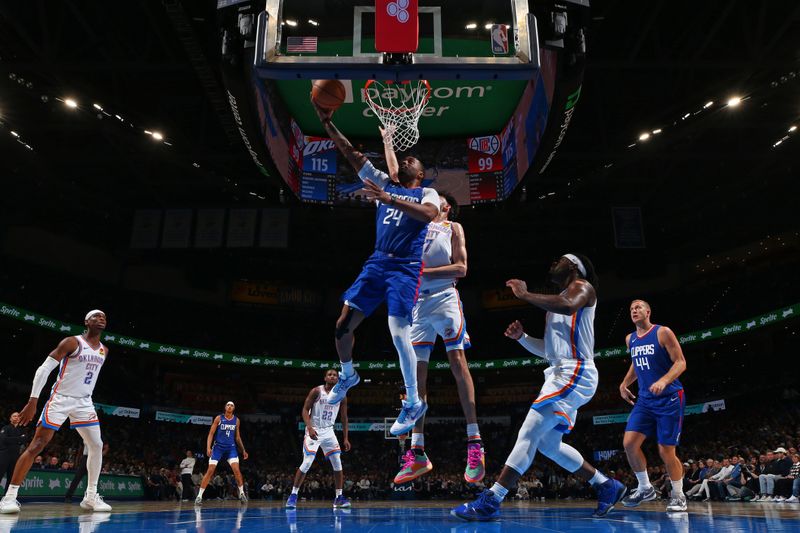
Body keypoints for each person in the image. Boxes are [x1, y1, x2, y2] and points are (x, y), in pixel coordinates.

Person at [452, 255, 626, 521]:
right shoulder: (552, 309)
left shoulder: (582, 288)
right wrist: (521, 338)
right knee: (547, 443)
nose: (551, 263)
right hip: (560, 371)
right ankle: (605, 484)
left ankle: (492, 499)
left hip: (575, 370)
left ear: (573, 267)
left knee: (529, 430)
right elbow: (549, 351)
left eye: (558, 260)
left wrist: (525, 294)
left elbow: (568, 306)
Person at [312, 100, 440, 436]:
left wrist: (389, 200)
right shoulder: (385, 182)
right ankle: (348, 374)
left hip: (405, 269)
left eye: (414, 159)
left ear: (421, 173)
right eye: (404, 158)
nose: (407, 158)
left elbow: (428, 215)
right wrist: (328, 124)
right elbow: (353, 154)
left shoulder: (428, 192)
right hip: (377, 262)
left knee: (398, 335)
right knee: (342, 327)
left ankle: (413, 401)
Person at [394, 192, 484, 485]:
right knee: (416, 379)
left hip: (445, 298)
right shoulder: (416, 227)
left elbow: (462, 268)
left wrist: (423, 271)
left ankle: (475, 443)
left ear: (445, 206)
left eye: (435, 200)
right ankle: (417, 452)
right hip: (418, 304)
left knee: (458, 363)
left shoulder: (452, 227)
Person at [0, 310, 112, 514]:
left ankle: (90, 496)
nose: (101, 318)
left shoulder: (104, 350)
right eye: (96, 316)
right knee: (37, 444)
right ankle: (9, 497)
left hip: (85, 402)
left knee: (96, 444)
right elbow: (44, 369)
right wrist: (33, 400)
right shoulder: (72, 342)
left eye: (104, 316)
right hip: (61, 399)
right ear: (86, 321)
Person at [618, 299, 688, 512]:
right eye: (631, 309)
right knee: (629, 443)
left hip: (670, 398)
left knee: (666, 452)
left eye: (638, 307)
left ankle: (678, 495)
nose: (634, 311)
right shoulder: (630, 339)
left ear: (648, 311)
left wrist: (664, 380)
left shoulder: (662, 332)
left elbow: (680, 362)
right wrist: (624, 383)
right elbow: (635, 362)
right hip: (645, 400)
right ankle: (645, 487)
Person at [286, 369, 351, 509]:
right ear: (325, 378)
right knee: (308, 462)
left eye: (335, 375)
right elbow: (304, 410)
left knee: (337, 462)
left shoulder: (342, 395)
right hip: (314, 429)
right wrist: (309, 427)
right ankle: (293, 495)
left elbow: (344, 418)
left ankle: (339, 497)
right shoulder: (316, 391)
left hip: (329, 431)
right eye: (330, 374)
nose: (333, 376)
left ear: (338, 379)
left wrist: (345, 437)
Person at [194, 401, 248, 505]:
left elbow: (237, 437)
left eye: (232, 405)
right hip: (218, 448)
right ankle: (199, 496)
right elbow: (211, 434)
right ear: (225, 407)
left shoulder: (236, 420)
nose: (230, 406)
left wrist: (243, 450)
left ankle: (242, 494)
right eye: (228, 405)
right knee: (210, 470)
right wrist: (208, 447)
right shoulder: (219, 418)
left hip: (231, 448)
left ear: (234, 408)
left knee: (236, 470)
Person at [0, 413, 28, 495]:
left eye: (18, 416)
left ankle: (6, 498)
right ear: (10, 419)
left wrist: (11, 440)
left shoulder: (22, 430)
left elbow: (25, 440)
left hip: (15, 457)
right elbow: (3, 440)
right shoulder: (5, 428)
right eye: (14, 416)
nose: (16, 417)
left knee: (11, 479)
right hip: (4, 455)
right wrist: (19, 439)